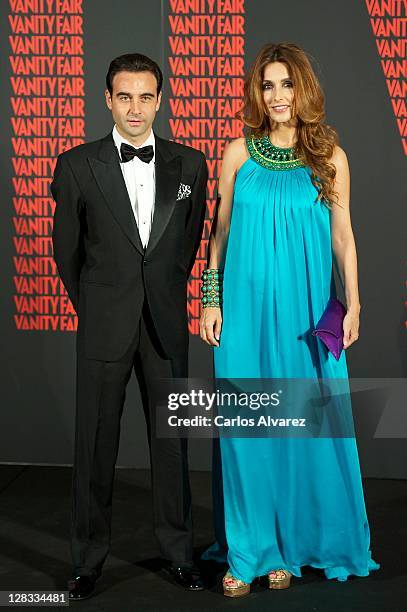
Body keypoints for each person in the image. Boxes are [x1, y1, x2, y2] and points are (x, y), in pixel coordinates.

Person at [200, 42, 379, 597]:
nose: (278, 96)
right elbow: (220, 234)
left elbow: (344, 239)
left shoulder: (330, 157)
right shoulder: (236, 154)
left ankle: (291, 546)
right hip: (246, 315)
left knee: (302, 430)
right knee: (246, 432)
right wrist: (210, 297)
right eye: (269, 85)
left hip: (304, 316)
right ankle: (252, 550)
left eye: (287, 85)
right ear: (259, 92)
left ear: (305, 90)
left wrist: (353, 302)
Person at [51, 53, 208, 600]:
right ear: (107, 100)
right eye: (125, 96)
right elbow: (67, 255)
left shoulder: (191, 165)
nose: (135, 107)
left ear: (160, 101)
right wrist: (100, 305)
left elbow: (186, 249)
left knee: (174, 445)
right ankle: (87, 561)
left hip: (165, 324)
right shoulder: (75, 165)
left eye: (146, 97)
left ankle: (180, 553)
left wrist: (159, 292)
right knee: (94, 447)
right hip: (103, 326)